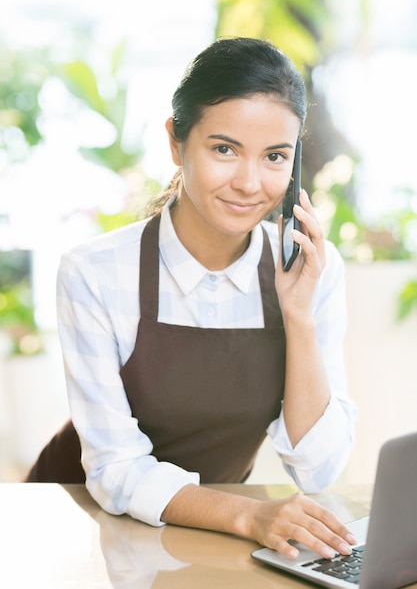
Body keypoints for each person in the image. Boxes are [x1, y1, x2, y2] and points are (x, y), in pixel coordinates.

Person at [26, 37, 357, 560]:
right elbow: (115, 470)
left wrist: (297, 315)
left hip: (205, 533)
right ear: (177, 144)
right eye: (224, 149)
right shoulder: (94, 273)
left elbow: (317, 468)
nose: (249, 183)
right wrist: (250, 514)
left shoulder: (310, 269)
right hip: (77, 521)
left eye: (275, 157)